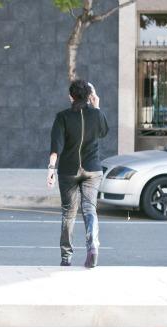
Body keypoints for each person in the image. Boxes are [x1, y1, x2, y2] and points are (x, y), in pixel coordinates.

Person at [47, 79, 108, 268]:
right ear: (90, 96)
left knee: (68, 213)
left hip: (68, 171)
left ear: (70, 97)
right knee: (90, 209)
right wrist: (97, 108)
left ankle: (66, 257)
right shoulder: (96, 115)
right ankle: (93, 247)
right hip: (92, 169)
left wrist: (50, 170)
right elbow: (104, 132)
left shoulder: (62, 117)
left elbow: (56, 146)